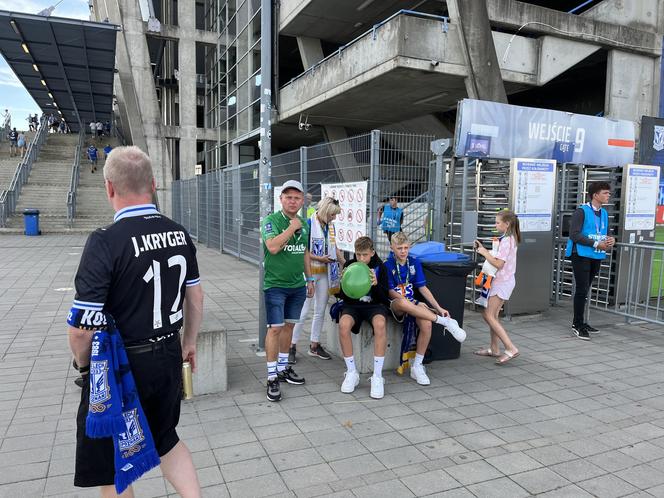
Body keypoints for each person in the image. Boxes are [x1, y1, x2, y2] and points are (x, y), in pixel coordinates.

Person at [67, 146, 203, 496]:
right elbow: (195, 298)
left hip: (121, 365)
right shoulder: (179, 234)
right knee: (166, 440)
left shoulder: (104, 242)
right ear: (153, 184)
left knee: (113, 459)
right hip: (168, 354)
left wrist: (84, 367)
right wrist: (188, 344)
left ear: (109, 188)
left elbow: (82, 327)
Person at [385, 231, 466, 385]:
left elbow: (423, 288)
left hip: (413, 303)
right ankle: (444, 322)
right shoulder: (387, 265)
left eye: (406, 248)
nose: (403, 251)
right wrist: (414, 303)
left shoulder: (414, 262)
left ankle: (417, 365)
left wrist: (438, 307)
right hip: (395, 305)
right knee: (404, 303)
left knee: (426, 324)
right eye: (399, 248)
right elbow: (390, 292)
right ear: (392, 248)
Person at [261, 180, 313, 402]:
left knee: (290, 326)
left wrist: (309, 278)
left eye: (297, 197)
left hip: (297, 285)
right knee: (275, 329)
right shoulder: (271, 221)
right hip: (275, 285)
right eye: (288, 197)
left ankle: (283, 369)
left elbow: (304, 252)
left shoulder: (305, 223)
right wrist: (292, 228)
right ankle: (271, 377)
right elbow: (272, 247)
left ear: (302, 201)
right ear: (281, 199)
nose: (293, 201)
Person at [289, 197, 345, 364]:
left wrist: (344, 263)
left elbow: (335, 248)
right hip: (309, 272)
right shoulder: (307, 224)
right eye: (333, 215)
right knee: (303, 311)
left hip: (327, 272)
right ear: (325, 211)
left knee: (320, 310)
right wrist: (320, 258)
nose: (334, 218)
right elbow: (303, 251)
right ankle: (291, 346)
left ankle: (314, 344)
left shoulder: (330, 226)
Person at [338, 236, 391, 399]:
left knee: (380, 324)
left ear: (372, 253)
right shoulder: (349, 265)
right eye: (358, 254)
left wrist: (375, 286)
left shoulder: (380, 267)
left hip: (374, 306)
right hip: (353, 306)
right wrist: (343, 284)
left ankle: (377, 376)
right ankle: (352, 372)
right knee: (344, 325)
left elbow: (385, 297)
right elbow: (343, 297)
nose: (361, 259)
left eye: (364, 255)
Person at [565, 181, 615, 340]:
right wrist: (595, 243)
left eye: (609, 193)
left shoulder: (604, 213)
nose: (608, 195)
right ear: (595, 195)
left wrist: (610, 240)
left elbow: (606, 233)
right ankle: (577, 324)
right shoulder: (581, 211)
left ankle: (582, 322)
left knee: (585, 289)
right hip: (580, 254)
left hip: (596, 255)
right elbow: (574, 234)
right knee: (581, 289)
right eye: (605, 193)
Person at [474, 209, 521, 364]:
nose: (495, 225)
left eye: (497, 222)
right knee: (492, 316)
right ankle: (494, 349)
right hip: (504, 281)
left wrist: (483, 252)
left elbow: (498, 264)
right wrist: (485, 250)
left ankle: (510, 348)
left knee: (488, 315)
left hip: (502, 282)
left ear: (506, 224)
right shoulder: (509, 238)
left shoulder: (507, 240)